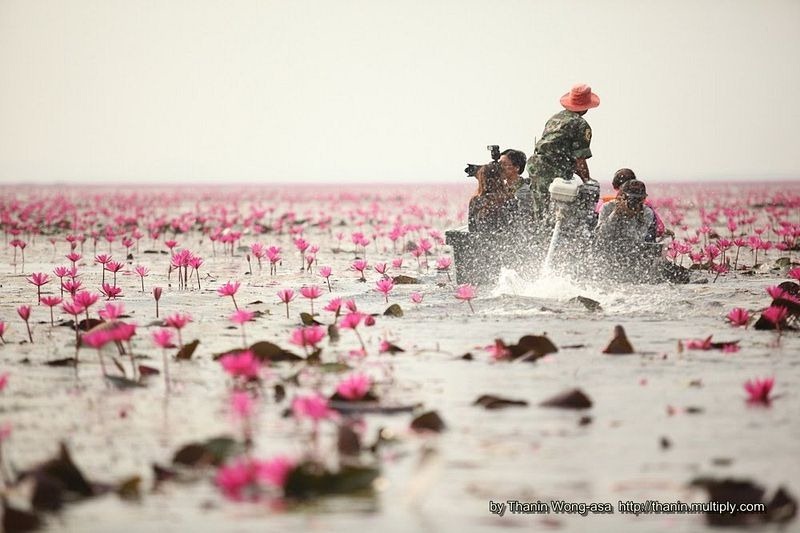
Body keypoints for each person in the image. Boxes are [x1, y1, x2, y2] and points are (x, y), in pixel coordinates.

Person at [526, 84, 599, 224]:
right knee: (560, 210)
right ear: (586, 106)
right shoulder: (580, 125)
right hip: (554, 168)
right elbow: (580, 159)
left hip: (536, 164)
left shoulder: (555, 118)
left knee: (540, 209)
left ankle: (539, 235)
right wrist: (587, 180)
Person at [597, 168, 666, 238]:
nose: (634, 202)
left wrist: (632, 217)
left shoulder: (646, 212)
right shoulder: (608, 207)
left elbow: (637, 241)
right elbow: (600, 235)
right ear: (623, 196)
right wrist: (615, 214)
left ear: (643, 199)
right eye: (631, 199)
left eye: (638, 199)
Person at [468, 162, 519, 233]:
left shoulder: (476, 201)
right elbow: (515, 227)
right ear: (499, 179)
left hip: (482, 242)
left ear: (482, 181)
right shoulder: (510, 199)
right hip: (505, 241)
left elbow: (472, 229)